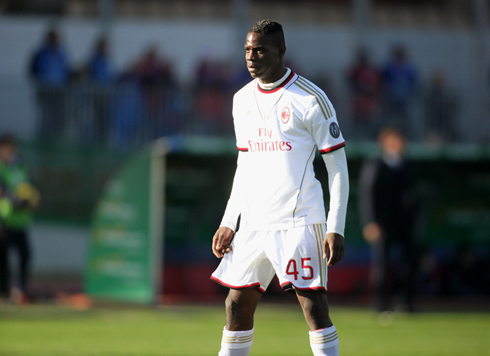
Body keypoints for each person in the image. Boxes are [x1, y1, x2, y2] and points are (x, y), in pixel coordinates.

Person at [210, 20, 349, 356]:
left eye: (259, 49)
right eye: (247, 49)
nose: (251, 56)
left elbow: (338, 167)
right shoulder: (241, 99)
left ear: (280, 50)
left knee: (313, 308)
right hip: (255, 223)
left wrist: (335, 227)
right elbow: (245, 165)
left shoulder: (311, 99)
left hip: (299, 220)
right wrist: (231, 220)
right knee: (235, 306)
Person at [359, 127, 418, 313]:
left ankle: (404, 302)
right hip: (383, 223)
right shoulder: (375, 165)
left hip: (405, 223)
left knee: (408, 263)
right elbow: (368, 195)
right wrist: (370, 222)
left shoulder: (407, 165)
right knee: (381, 264)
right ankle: (380, 303)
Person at [0, 135, 40, 303]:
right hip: (4, 220)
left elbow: (33, 187)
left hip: (20, 222)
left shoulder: (22, 167)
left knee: (25, 254)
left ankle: (21, 289)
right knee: (2, 257)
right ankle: (4, 291)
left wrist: (34, 199)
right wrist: (16, 200)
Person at [29, 28, 71, 140]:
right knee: (46, 116)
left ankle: (56, 136)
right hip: (45, 90)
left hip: (59, 91)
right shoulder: (40, 53)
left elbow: (66, 70)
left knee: (58, 115)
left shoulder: (61, 53)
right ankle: (44, 137)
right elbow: (32, 69)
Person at [347, 48, 383, 141]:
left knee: (369, 122)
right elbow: (351, 82)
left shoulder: (372, 70)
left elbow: (378, 84)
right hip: (359, 101)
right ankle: (356, 139)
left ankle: (370, 138)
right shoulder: (356, 70)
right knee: (358, 122)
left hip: (369, 102)